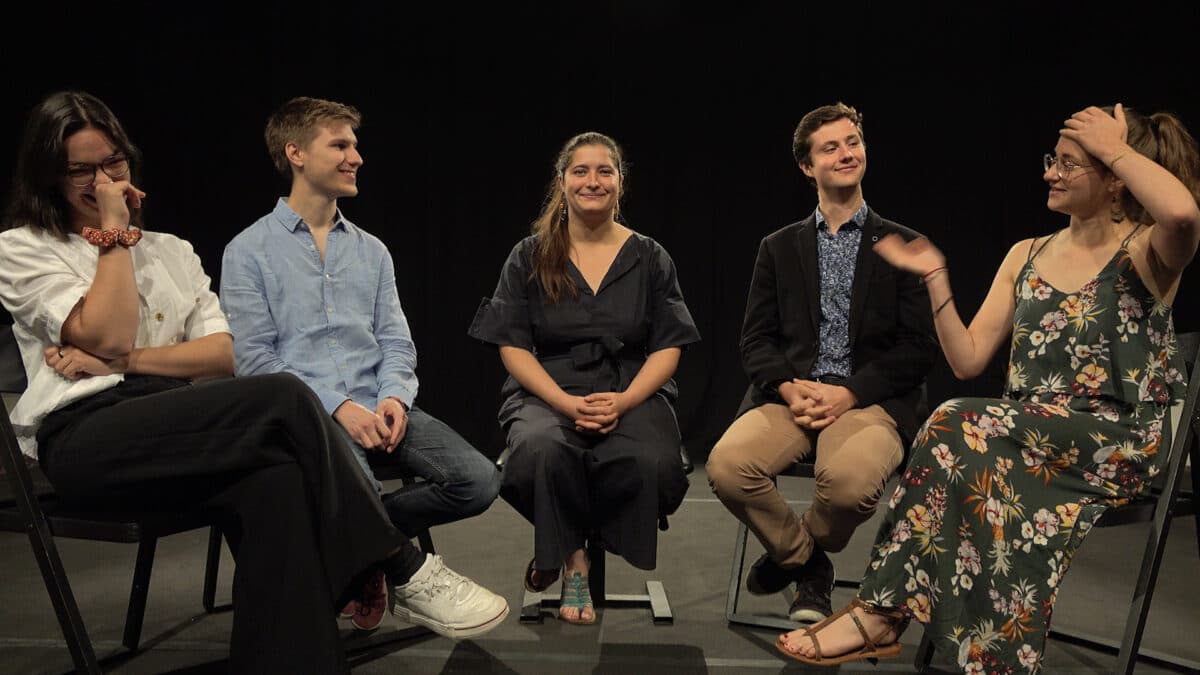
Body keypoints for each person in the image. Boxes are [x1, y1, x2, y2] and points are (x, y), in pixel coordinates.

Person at [0, 91, 506, 674]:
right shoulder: (24, 249)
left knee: (280, 480)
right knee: (285, 394)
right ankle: (399, 565)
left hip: (182, 427)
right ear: (48, 177)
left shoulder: (172, 252)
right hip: (88, 438)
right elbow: (111, 333)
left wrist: (122, 361)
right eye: (82, 170)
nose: (104, 180)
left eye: (113, 163)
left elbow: (225, 355)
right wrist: (115, 232)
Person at [777, 103, 1199, 671]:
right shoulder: (1027, 254)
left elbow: (1182, 215)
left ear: (1113, 181)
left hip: (1115, 440)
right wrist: (934, 277)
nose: (1050, 172)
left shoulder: (1147, 251)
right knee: (963, 441)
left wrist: (1117, 147)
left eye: (1069, 164)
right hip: (1023, 438)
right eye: (1053, 159)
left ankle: (880, 612)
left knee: (959, 425)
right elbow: (968, 358)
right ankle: (977, 651)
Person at [220, 96, 503, 631]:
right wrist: (338, 407)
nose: (357, 157)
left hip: (382, 404)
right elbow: (255, 362)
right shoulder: (248, 251)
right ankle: (395, 565)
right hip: (309, 418)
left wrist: (394, 396)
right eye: (341, 145)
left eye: (355, 144)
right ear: (296, 153)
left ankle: (353, 546)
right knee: (354, 483)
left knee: (479, 480)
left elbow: (397, 341)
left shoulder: (372, 251)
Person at [706, 102, 938, 623]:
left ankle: (798, 551)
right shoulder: (778, 247)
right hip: (792, 396)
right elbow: (755, 341)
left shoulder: (901, 244)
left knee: (850, 488)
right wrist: (789, 388)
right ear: (808, 167)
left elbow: (918, 348)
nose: (846, 153)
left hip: (868, 399)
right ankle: (808, 565)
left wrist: (850, 392)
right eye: (830, 147)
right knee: (725, 467)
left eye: (852, 142)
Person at [468, 131, 700, 624]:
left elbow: (669, 346)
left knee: (653, 463)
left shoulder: (650, 256)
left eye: (604, 172)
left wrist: (625, 400)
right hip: (549, 386)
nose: (592, 181)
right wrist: (564, 403)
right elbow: (512, 345)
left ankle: (564, 537)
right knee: (539, 450)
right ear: (562, 181)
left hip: (631, 387)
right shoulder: (529, 255)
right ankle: (573, 559)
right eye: (581, 171)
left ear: (620, 182)